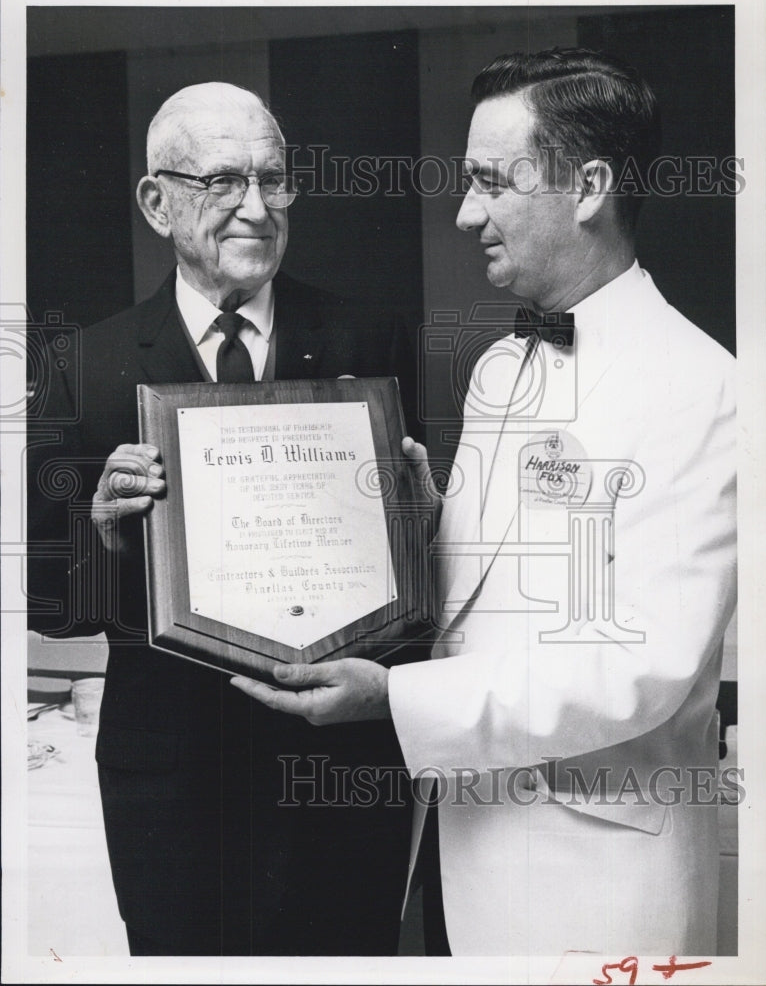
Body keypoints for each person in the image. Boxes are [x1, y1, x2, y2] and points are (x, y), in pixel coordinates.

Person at [231, 49, 737, 956]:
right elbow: (489, 590)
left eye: (489, 185)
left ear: (588, 187)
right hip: (458, 843)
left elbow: (642, 667)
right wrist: (419, 521)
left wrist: (397, 700)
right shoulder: (502, 369)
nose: (466, 215)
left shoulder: (707, 389)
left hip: (598, 882)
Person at [27, 82, 416, 956]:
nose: (255, 207)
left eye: (274, 180)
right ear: (156, 202)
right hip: (173, 788)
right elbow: (50, 603)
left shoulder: (370, 339)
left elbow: (422, 570)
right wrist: (100, 529)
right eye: (222, 182)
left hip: (340, 775)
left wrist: (412, 521)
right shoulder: (83, 366)